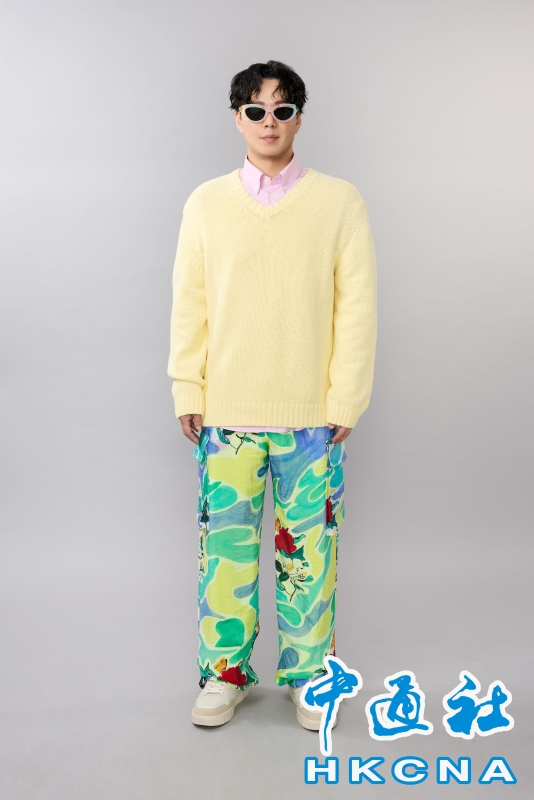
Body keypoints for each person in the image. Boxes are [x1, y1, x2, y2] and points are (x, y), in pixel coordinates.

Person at [167, 60, 378, 728]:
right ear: (237, 118)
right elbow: (190, 304)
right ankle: (223, 676)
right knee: (224, 557)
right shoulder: (206, 203)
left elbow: (357, 309)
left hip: (311, 419)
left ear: (299, 119)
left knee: (310, 556)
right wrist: (187, 383)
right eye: (255, 110)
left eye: (282, 110)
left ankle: (311, 677)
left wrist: (346, 398)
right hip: (226, 415)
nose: (269, 122)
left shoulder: (339, 202)